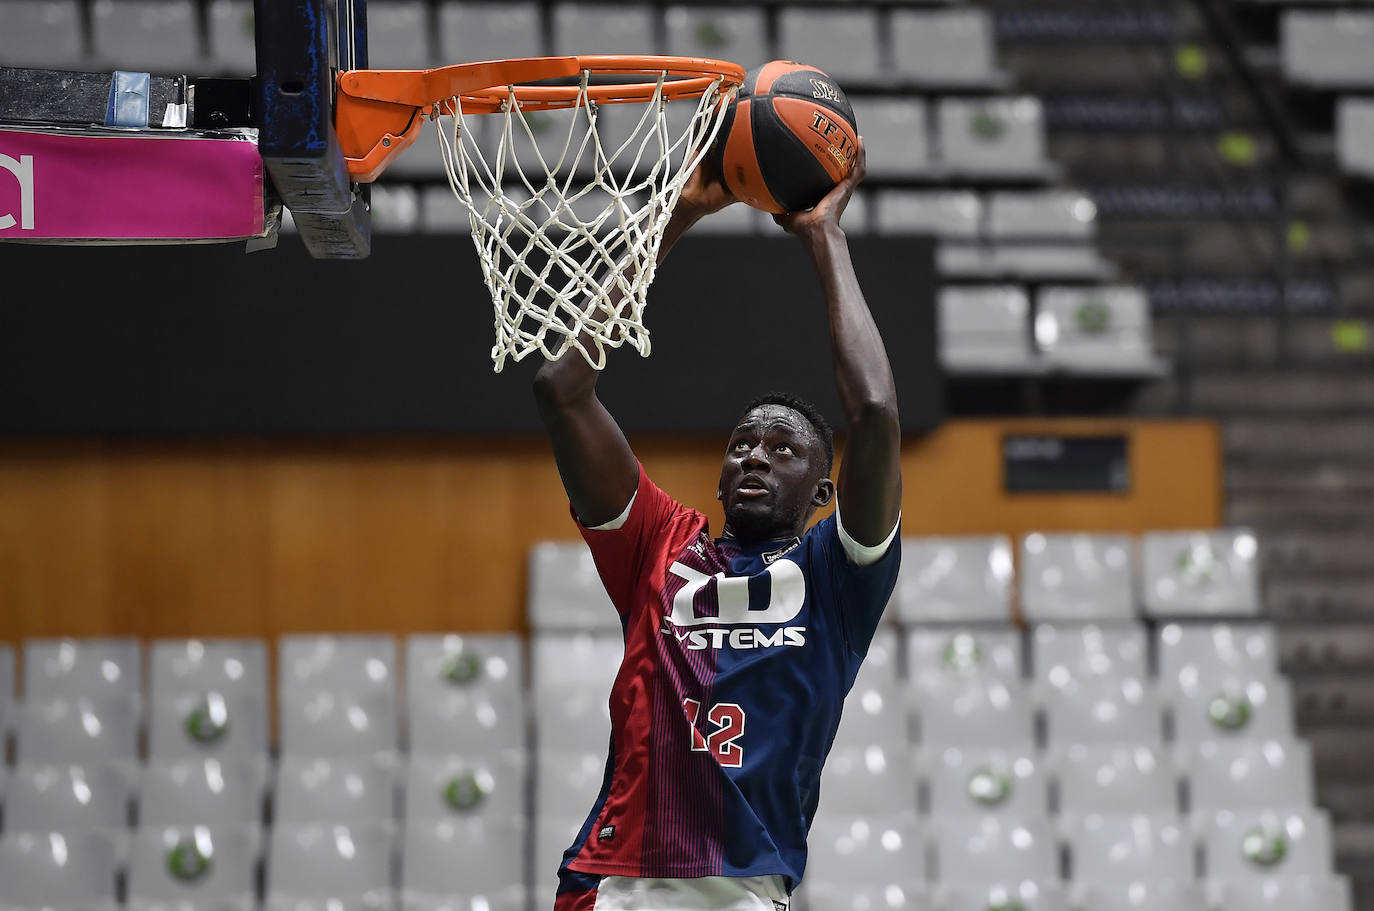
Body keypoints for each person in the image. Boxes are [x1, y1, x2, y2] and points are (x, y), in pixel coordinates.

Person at [532, 139, 902, 911]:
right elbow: (563, 388)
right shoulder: (658, 545)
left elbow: (872, 414)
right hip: (614, 882)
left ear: (824, 490)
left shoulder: (839, 576)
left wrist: (823, 234)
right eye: (740, 444)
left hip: (743, 888)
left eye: (783, 446)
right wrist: (678, 216)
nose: (755, 456)